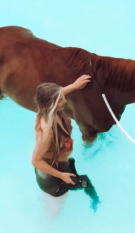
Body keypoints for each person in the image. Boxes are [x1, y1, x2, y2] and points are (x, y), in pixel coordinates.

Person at [31, 76, 99, 212]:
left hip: (62, 166)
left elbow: (56, 94)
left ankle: (45, 199)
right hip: (53, 178)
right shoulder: (47, 132)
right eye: (61, 99)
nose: (65, 100)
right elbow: (35, 160)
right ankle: (48, 225)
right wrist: (61, 176)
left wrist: (74, 85)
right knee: (56, 208)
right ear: (52, 103)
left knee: (85, 183)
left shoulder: (45, 108)